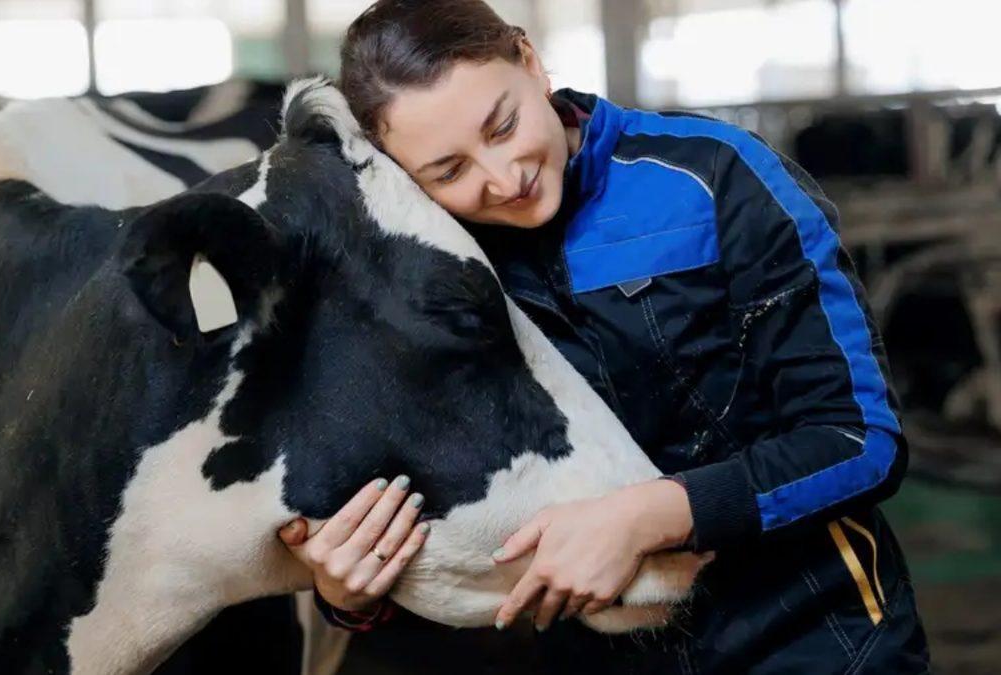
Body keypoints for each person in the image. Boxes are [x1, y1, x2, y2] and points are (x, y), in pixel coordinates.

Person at [277, 1, 931, 673]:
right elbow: (419, 492)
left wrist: (647, 517)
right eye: (448, 171)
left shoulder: (712, 178)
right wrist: (348, 592)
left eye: (503, 125)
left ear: (529, 62)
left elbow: (859, 440)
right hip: (587, 654)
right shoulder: (422, 275)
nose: (504, 178)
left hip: (817, 641)